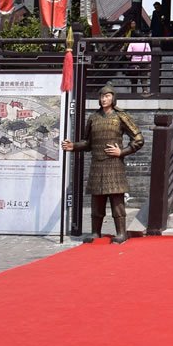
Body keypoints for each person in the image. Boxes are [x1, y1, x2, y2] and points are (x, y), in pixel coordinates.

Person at [62, 84, 144, 244]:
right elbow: (88, 143)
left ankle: (121, 233)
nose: (104, 99)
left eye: (107, 96)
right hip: (97, 165)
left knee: (117, 201)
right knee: (97, 201)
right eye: (102, 96)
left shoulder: (121, 116)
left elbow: (139, 139)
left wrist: (122, 152)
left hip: (114, 165)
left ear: (113, 98)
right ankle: (95, 232)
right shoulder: (93, 118)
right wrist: (73, 146)